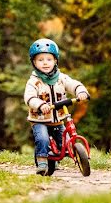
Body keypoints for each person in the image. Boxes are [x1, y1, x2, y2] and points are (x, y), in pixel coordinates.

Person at [23, 38, 90, 176]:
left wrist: (81, 91)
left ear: (55, 61)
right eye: (40, 60)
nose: (45, 62)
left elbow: (73, 84)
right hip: (40, 119)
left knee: (64, 140)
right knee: (42, 139)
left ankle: (72, 154)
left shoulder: (61, 78)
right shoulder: (34, 81)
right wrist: (40, 104)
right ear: (34, 63)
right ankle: (42, 161)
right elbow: (29, 97)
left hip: (58, 118)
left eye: (49, 59)